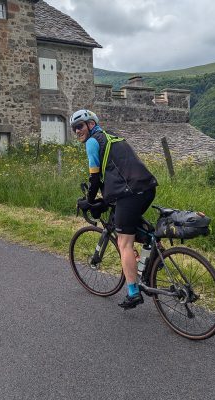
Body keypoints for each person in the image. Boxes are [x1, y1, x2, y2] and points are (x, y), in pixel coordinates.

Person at [71, 109, 157, 310]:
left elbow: (94, 177)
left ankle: (133, 292)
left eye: (80, 126)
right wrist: (105, 199)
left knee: (123, 242)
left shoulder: (93, 142)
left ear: (91, 125)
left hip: (129, 193)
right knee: (134, 228)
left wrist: (89, 200)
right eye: (74, 128)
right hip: (146, 188)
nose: (77, 131)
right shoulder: (114, 139)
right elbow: (116, 173)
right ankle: (153, 256)